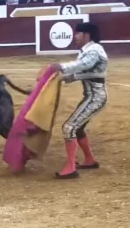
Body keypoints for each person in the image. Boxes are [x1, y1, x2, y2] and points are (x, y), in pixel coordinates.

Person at [49, 22, 107, 179]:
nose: (75, 36)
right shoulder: (90, 50)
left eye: (77, 33)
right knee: (78, 128)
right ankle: (89, 160)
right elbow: (88, 72)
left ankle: (70, 167)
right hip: (91, 96)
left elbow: (84, 65)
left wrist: (60, 67)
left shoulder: (94, 50)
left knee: (69, 127)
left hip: (95, 97)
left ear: (86, 35)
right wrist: (66, 78)